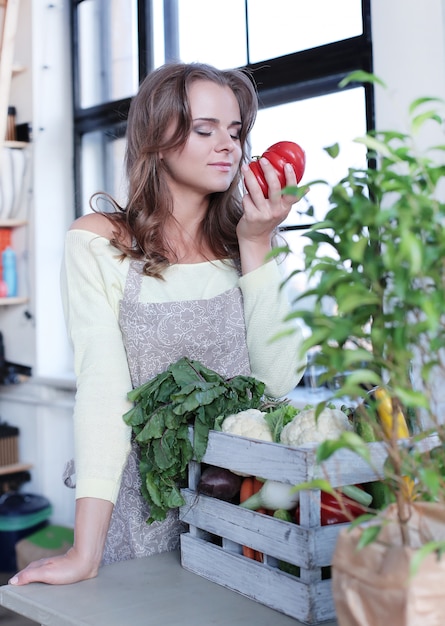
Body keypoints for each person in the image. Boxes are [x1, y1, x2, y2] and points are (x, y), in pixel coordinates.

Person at [9, 61, 305, 586]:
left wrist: (257, 243)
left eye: (236, 132)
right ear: (157, 139)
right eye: (204, 129)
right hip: (139, 510)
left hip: (236, 504)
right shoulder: (98, 242)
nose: (229, 147)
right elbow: (104, 390)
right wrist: (85, 552)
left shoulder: (252, 242)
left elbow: (276, 384)